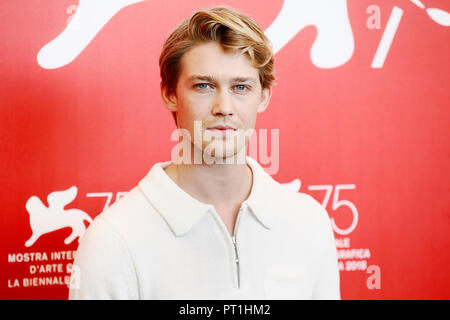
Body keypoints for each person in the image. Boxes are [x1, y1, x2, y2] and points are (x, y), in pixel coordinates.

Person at [68, 6, 340, 300]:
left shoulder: (308, 222)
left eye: (240, 87)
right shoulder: (114, 239)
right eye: (204, 86)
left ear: (263, 97)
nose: (223, 106)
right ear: (169, 94)